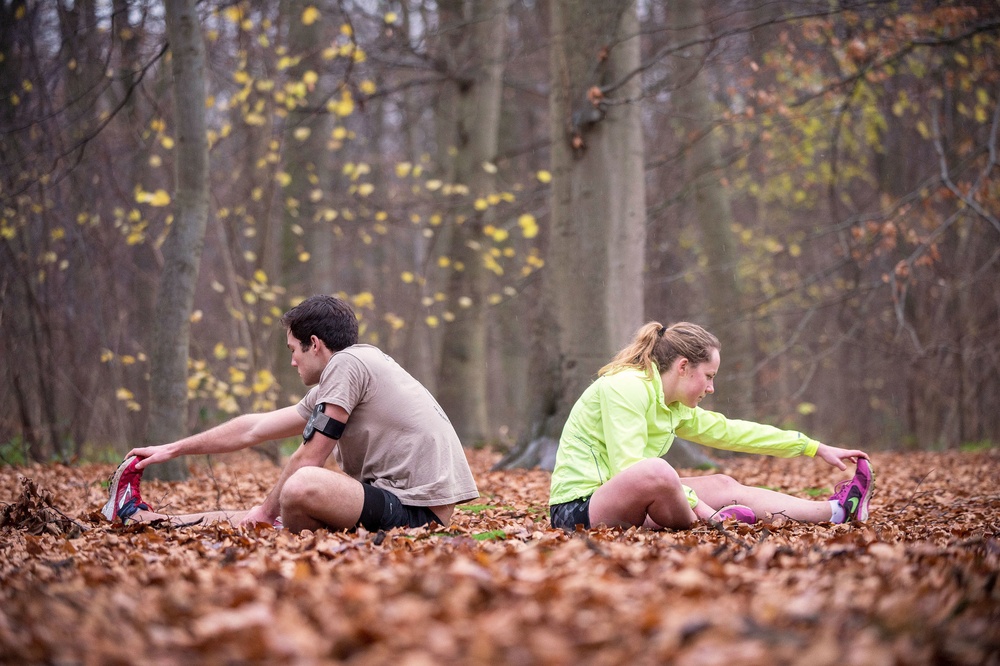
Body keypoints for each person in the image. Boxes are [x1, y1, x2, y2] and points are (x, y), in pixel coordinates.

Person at [101, 294, 479, 533]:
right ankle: (148, 521)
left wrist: (266, 510)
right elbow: (255, 428)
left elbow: (312, 454)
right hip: (393, 502)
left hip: (417, 513)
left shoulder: (349, 364)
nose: (293, 361)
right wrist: (173, 449)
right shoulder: (348, 374)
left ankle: (272, 524)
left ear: (315, 344)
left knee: (299, 487)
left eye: (294, 350)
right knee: (278, 504)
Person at [548, 321, 874, 531]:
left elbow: (733, 432)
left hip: (622, 499)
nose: (711, 388)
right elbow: (630, 467)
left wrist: (812, 446)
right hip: (577, 510)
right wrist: (702, 507)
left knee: (722, 483)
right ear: (683, 366)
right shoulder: (626, 387)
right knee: (658, 471)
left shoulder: (673, 405)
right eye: (709, 377)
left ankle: (836, 511)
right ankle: (713, 521)